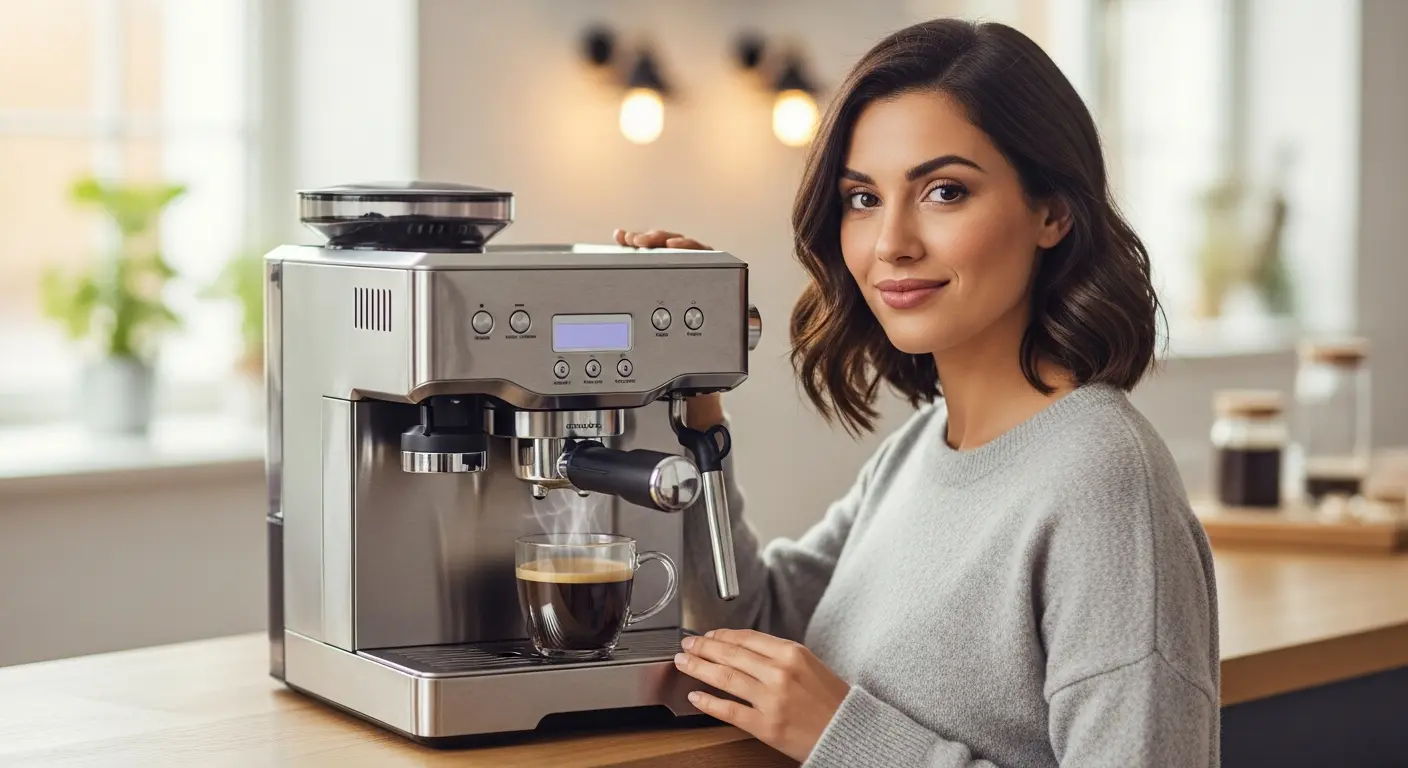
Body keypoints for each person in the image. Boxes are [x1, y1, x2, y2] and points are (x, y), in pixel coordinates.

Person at [613, 17, 1219, 768]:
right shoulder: (921, 449)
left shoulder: (1103, 479)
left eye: (944, 191)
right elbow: (753, 621)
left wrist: (842, 735)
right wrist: (692, 407)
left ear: (1052, 211)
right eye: (863, 198)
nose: (891, 243)